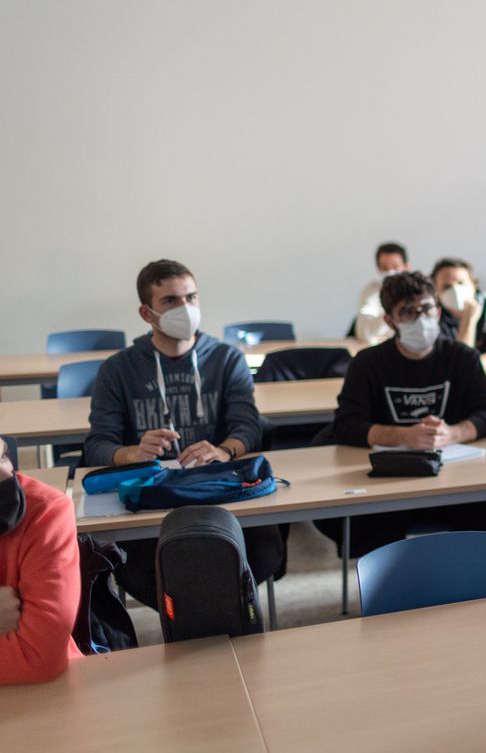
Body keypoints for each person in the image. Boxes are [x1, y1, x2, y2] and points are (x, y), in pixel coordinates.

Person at [83, 259, 284, 609]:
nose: (185, 309)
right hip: (151, 498)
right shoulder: (117, 369)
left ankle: (222, 617)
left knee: (264, 549)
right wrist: (132, 453)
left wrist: (224, 450)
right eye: (171, 301)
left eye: (191, 297)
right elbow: (98, 444)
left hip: (219, 490)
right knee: (147, 568)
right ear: (147, 314)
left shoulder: (226, 359)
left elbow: (249, 425)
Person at [321, 270, 486, 558]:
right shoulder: (368, 363)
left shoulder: (462, 357)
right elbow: (346, 424)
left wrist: (453, 433)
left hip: (453, 480)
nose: (420, 318)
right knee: (374, 535)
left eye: (427, 308)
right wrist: (404, 436)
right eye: (407, 312)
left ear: (438, 311)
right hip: (387, 485)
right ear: (390, 321)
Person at [1, 436, 82, 684]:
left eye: (2, 457)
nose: (5, 474)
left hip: (41, 695)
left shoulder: (43, 511)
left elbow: (38, 657)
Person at [431, 257, 486, 370]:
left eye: (461, 283)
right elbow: (455, 362)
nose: (455, 290)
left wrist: (469, 368)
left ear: (473, 284)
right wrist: (468, 320)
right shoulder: (432, 313)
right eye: (447, 287)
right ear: (436, 291)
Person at [355, 242, 410, 344]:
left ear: (406, 267)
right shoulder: (371, 291)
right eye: (384, 268)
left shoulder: (416, 291)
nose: (390, 272)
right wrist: (391, 313)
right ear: (378, 268)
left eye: (395, 267)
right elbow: (364, 333)